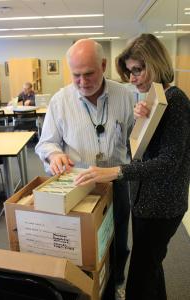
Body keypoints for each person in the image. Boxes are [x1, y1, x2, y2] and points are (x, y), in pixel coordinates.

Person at [74, 33, 190, 300]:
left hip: (162, 207)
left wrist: (117, 171)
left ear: (155, 63)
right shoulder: (155, 99)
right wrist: (142, 121)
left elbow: (169, 162)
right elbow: (139, 149)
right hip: (145, 202)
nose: (133, 78)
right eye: (129, 72)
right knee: (151, 269)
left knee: (140, 279)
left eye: (138, 70)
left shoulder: (176, 101)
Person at [35, 39, 134, 299]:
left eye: (89, 73)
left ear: (103, 65)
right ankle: (86, 290)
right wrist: (55, 155)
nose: (82, 81)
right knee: (83, 248)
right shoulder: (60, 101)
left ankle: (117, 284)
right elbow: (46, 143)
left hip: (116, 183)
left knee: (118, 244)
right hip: (78, 188)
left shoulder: (125, 95)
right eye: (76, 75)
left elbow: (137, 140)